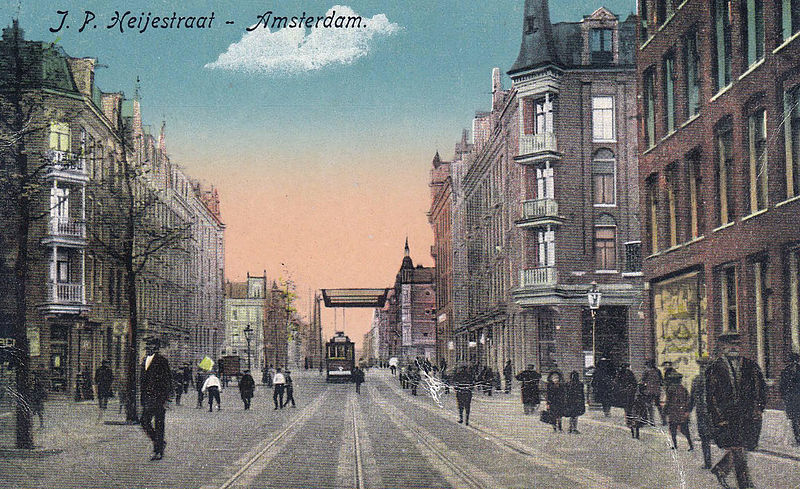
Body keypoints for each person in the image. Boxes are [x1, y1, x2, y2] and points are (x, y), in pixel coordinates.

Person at [706, 342, 766, 489]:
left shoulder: (751, 366)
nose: (733, 348)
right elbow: (710, 396)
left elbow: (761, 388)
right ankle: (744, 484)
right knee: (738, 448)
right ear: (723, 347)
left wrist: (759, 408)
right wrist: (718, 418)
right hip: (727, 417)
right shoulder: (714, 368)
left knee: (740, 447)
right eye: (730, 345)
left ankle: (721, 469)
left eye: (737, 345)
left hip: (747, 415)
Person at [140, 340, 173, 461]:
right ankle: (159, 442)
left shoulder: (162, 361)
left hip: (159, 398)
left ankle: (158, 451)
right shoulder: (144, 360)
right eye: (147, 346)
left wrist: (166, 399)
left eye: (151, 346)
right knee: (144, 421)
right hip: (148, 398)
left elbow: (168, 380)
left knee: (159, 425)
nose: (148, 348)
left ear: (156, 348)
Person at [690, 360, 713, 469]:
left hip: (703, 413)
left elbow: (692, 398)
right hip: (713, 414)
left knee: (705, 438)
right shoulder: (716, 380)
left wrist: (688, 410)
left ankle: (708, 462)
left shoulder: (696, 380)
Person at [664, 372, 694, 451]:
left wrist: (665, 410)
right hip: (681, 412)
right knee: (685, 430)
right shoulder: (683, 388)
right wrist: (687, 410)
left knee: (673, 430)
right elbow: (688, 400)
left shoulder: (670, 389)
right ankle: (691, 445)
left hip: (673, 412)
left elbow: (667, 401)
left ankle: (675, 445)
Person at [779, 352, 800, 446]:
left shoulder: (786, 371)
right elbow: (782, 387)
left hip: (793, 399)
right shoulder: (785, 372)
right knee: (794, 419)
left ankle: (798, 437)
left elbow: (782, 387)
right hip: (792, 399)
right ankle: (798, 438)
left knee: (795, 419)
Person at [642, 358, 665, 426]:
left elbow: (643, 380)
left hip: (649, 391)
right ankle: (663, 420)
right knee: (658, 406)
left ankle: (651, 421)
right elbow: (661, 381)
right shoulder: (658, 371)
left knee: (649, 406)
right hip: (657, 391)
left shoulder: (646, 371)